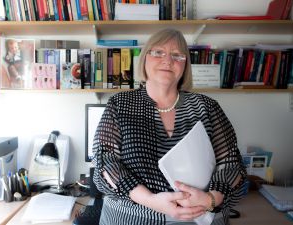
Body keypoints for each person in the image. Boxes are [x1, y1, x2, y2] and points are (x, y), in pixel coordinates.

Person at [92, 28, 247, 225]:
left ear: (185, 65)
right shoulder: (120, 104)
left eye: (177, 55)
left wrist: (210, 199)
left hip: (200, 218)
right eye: (158, 52)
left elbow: (232, 164)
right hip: (132, 219)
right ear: (145, 58)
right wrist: (150, 200)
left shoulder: (206, 107)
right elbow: (105, 163)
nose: (168, 60)